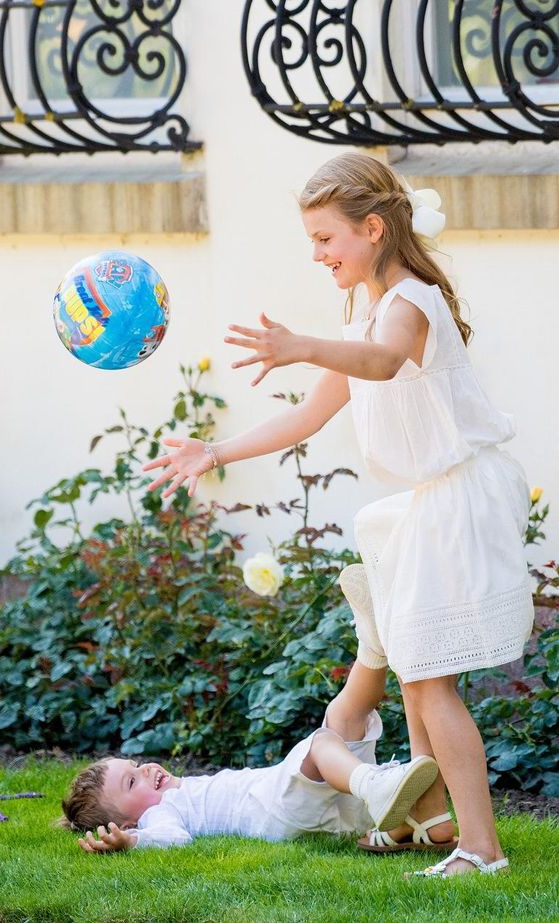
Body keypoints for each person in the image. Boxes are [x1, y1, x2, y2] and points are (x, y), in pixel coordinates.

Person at [143, 153, 532, 877]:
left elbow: (383, 363)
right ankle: (434, 819)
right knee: (417, 666)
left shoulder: (408, 303)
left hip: (457, 497)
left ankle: (480, 848)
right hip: (430, 502)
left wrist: (298, 345)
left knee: (427, 677)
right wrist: (215, 448)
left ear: (373, 229)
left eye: (326, 239)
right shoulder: (368, 311)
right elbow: (312, 413)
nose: (318, 256)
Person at [61, 670, 439, 853]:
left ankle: (373, 643)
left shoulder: (177, 792)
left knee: (344, 716)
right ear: (127, 821)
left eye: (134, 766)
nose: (144, 771)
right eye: (131, 783)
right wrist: (132, 842)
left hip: (293, 803)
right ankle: (375, 786)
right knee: (322, 742)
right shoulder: (158, 816)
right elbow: (175, 839)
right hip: (272, 808)